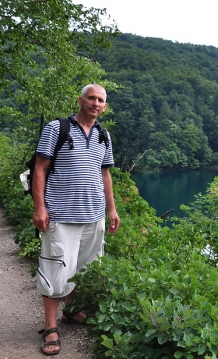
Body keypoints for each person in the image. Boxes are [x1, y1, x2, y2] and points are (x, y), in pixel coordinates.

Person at [32, 84, 120, 356]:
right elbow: (40, 168)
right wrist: (40, 208)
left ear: (104, 107)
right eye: (91, 98)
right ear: (80, 100)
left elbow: (105, 174)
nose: (95, 103)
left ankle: (71, 311)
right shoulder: (57, 129)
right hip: (61, 214)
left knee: (85, 268)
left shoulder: (103, 136)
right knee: (55, 270)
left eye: (100, 100)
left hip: (94, 216)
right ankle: (50, 327)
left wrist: (112, 209)